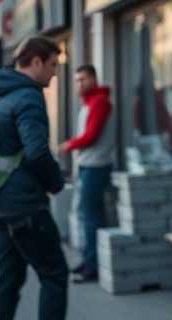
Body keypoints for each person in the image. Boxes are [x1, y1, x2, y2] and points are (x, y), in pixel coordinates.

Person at [0, 35, 68, 320]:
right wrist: (56, 182)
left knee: (9, 278)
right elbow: (37, 152)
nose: (55, 73)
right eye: (53, 65)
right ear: (36, 62)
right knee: (55, 275)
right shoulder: (28, 96)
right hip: (24, 207)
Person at [58, 64, 114, 284]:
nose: (79, 84)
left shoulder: (100, 101)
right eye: (77, 80)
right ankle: (90, 259)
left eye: (83, 79)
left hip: (95, 166)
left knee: (90, 215)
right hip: (89, 165)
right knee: (90, 215)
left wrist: (68, 145)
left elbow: (91, 136)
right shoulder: (90, 102)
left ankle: (92, 266)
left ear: (93, 79)